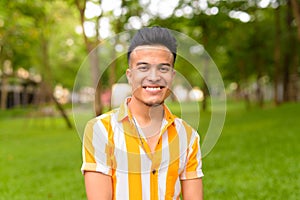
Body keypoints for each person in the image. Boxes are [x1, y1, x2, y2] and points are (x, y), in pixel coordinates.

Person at [81, 26, 204, 200]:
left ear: (172, 76)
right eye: (143, 68)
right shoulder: (100, 130)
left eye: (163, 68)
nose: (154, 77)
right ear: (130, 76)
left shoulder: (188, 136)